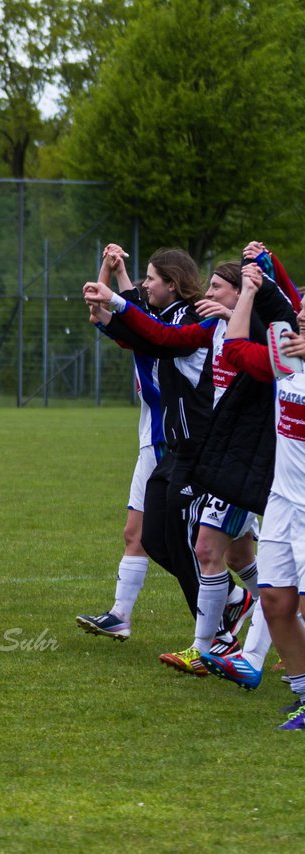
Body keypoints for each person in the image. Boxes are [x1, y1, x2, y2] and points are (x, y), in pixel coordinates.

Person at [83, 245, 295, 674]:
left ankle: (240, 644)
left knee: (217, 551)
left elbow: (267, 326)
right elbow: (151, 330)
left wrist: (263, 280)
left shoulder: (246, 332)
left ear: (240, 295)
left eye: (219, 288)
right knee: (211, 550)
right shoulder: (207, 327)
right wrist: (114, 291)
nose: (209, 294)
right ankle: (231, 626)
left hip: (233, 456)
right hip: (201, 450)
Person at [216, 261, 305, 728]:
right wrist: (252, 288)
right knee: (274, 601)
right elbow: (233, 349)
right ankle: (304, 693)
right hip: (282, 502)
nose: (302, 317)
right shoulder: (286, 358)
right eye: (303, 310)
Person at [76, 244, 165, 641]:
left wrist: (118, 274)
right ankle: (120, 615)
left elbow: (130, 309)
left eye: (151, 278)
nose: (143, 283)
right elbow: (101, 308)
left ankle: (240, 607)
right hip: (151, 443)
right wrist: (110, 267)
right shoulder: (143, 330)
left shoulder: (164, 334)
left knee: (214, 547)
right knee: (135, 533)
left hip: (173, 443)